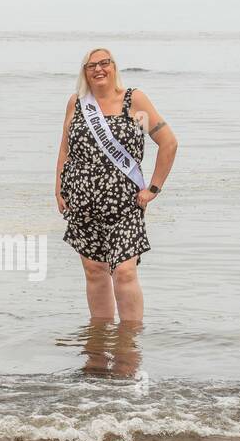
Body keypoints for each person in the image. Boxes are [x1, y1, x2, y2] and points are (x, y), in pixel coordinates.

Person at [55, 48, 177, 324]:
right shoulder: (77, 103)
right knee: (94, 270)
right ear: (84, 72)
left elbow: (168, 142)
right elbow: (65, 149)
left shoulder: (135, 101)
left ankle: (129, 341)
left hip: (125, 204)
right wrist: (59, 188)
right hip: (83, 202)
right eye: (91, 66)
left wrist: (153, 188)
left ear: (114, 67)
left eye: (104, 63)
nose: (98, 69)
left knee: (124, 272)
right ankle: (100, 337)